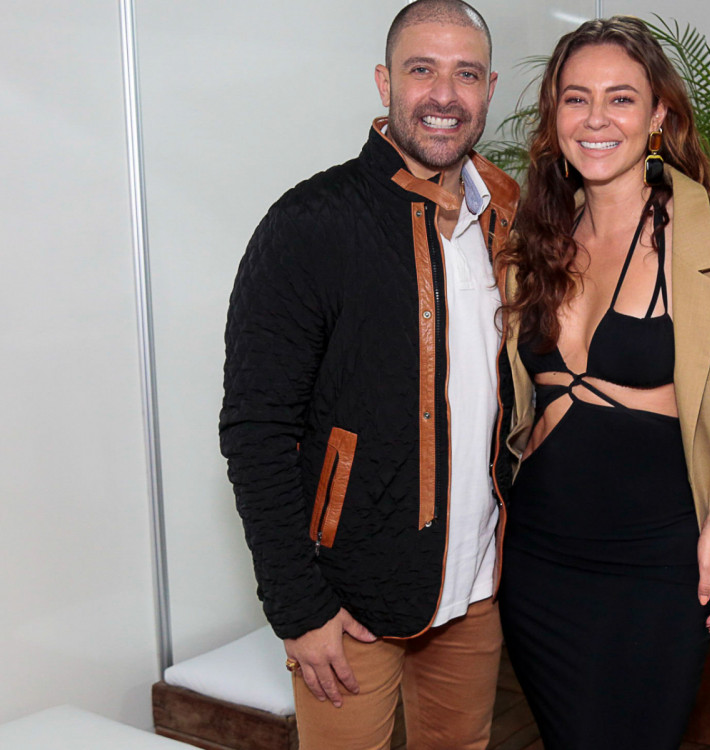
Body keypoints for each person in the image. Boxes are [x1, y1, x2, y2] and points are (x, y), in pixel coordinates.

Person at [495, 16, 710, 749]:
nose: (596, 118)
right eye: (576, 98)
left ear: (658, 116)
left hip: (658, 564)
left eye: (620, 98)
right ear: (554, 117)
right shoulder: (532, 242)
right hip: (539, 562)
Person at [219, 2, 520, 747]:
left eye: (466, 74)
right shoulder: (309, 223)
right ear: (386, 83)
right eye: (422, 70)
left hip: (476, 589)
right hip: (348, 602)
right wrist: (298, 607)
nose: (444, 95)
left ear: (489, 89)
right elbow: (256, 429)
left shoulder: (507, 219)